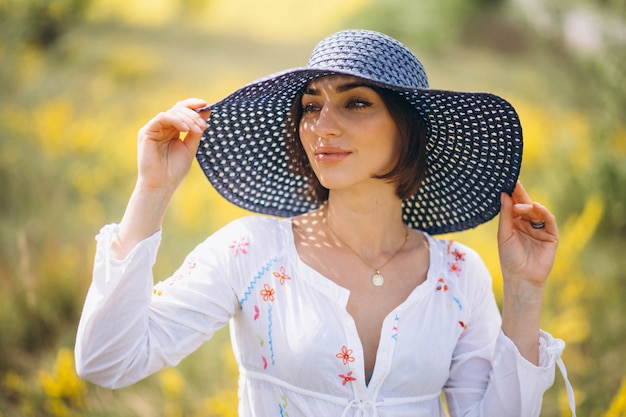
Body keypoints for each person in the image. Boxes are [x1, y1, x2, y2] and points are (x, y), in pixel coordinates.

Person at [75, 30, 576, 416]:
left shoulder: (459, 275)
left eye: (355, 102)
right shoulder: (251, 251)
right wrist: (153, 191)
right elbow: (107, 362)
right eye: (311, 105)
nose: (322, 125)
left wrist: (525, 289)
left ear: (408, 129)